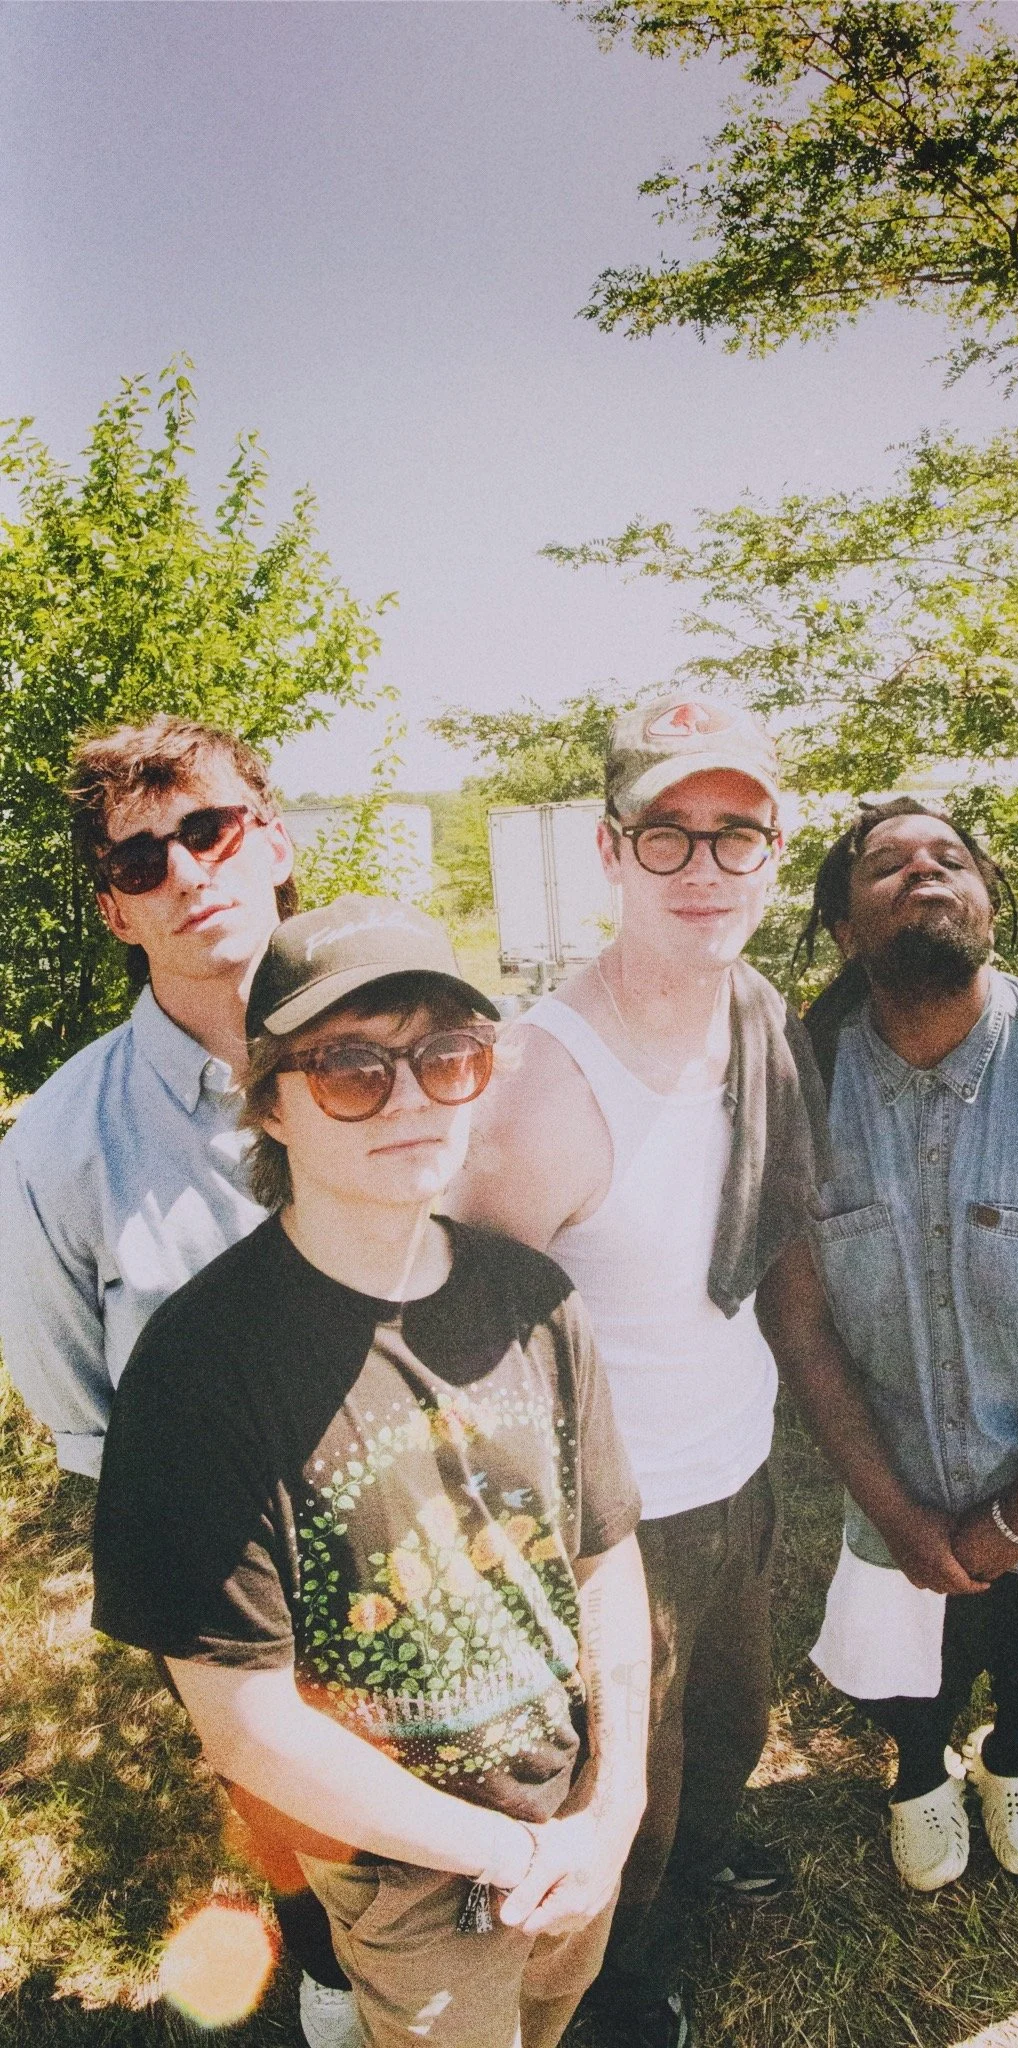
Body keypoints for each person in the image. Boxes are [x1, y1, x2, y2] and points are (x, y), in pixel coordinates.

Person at [91, 896, 651, 2048]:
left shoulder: (533, 1297)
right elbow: (246, 1723)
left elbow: (606, 1558)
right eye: (352, 1068)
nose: (410, 1098)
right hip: (414, 1874)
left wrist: (616, 1799)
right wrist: (514, 1852)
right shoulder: (199, 1370)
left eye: (447, 1056)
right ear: (270, 1100)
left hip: (574, 1814)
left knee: (550, 2011)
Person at [451, 694, 828, 2048]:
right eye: (669, 834)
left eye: (738, 834)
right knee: (631, 1778)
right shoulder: (540, 1086)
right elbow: (469, 1361)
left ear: (776, 854)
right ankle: (621, 1983)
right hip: (617, 1516)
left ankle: (686, 1884)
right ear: (610, 851)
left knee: (729, 1729)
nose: (704, 868)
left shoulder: (757, 1016)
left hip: (737, 1466)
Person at [0, 715, 362, 2046]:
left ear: (273, 842)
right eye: (141, 859)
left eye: (209, 829)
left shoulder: (397, 1049)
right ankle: (323, 1961)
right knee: (279, 1792)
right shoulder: (57, 1144)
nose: (187, 870)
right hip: (226, 1556)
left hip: (423, 1508)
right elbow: (77, 1404)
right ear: (115, 909)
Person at [763, 797, 1018, 1891]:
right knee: (912, 1671)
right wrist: (897, 1513)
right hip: (895, 1476)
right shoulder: (798, 1093)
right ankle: (919, 1770)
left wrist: (1017, 1518)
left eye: (949, 857)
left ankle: (1015, 1758)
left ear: (989, 903)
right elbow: (799, 1321)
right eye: (887, 864)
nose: (923, 871)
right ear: (845, 928)